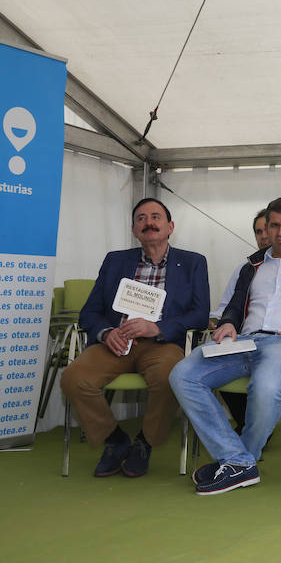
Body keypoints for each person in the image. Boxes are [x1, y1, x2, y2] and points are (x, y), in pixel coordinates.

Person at [169, 197, 281, 495]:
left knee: (266, 386)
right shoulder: (251, 266)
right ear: (266, 228)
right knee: (182, 374)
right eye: (275, 225)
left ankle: (237, 461)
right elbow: (233, 307)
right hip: (243, 342)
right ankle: (239, 460)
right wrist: (229, 322)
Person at [61, 198, 209, 478]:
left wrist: (158, 328)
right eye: (141, 218)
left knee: (171, 377)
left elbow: (200, 315)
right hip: (116, 342)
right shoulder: (116, 261)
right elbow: (89, 313)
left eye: (155, 217)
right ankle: (115, 440)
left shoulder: (193, 263)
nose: (149, 223)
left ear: (170, 226)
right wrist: (106, 333)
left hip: (161, 344)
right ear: (133, 229)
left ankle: (145, 442)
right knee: (73, 379)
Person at [210, 209, 272, 434]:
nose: (263, 236)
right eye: (258, 231)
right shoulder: (244, 269)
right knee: (215, 359)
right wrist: (216, 321)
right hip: (244, 339)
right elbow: (225, 307)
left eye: (267, 229)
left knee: (265, 370)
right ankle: (247, 425)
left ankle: (256, 428)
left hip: (279, 341)